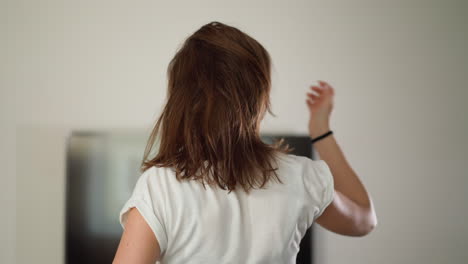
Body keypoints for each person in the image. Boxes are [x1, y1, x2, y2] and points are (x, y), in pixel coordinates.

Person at [113, 21, 377, 264]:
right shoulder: (301, 177)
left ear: (180, 101)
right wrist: (320, 130)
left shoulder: (162, 187)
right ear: (259, 97)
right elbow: (364, 220)